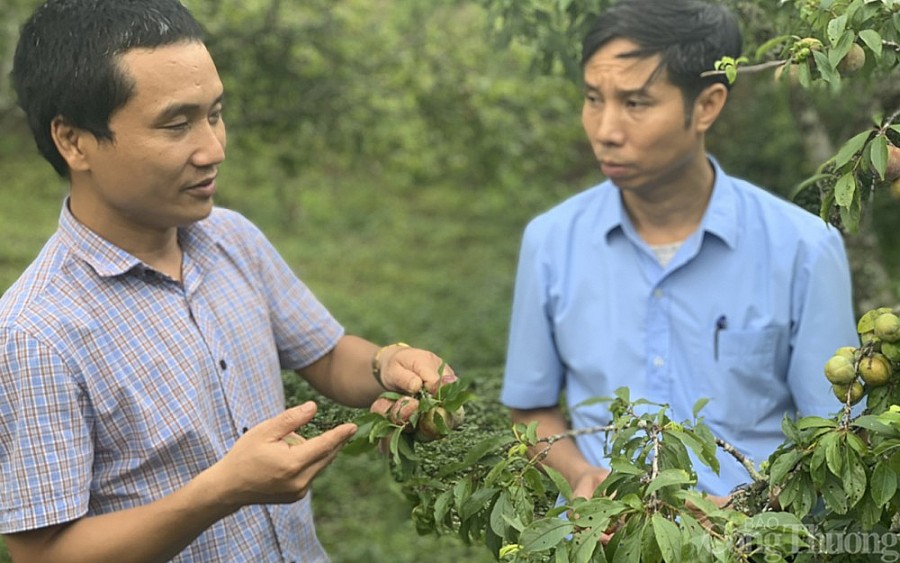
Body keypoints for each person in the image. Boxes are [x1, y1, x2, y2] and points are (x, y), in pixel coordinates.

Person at [0, 0, 452, 561]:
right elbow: (42, 554)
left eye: (215, 114)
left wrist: (388, 365)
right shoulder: (36, 333)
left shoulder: (229, 237)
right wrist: (221, 492)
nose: (213, 149)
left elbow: (329, 357)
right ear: (74, 141)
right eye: (176, 124)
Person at [499, 0, 857, 503]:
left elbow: (835, 441)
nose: (605, 131)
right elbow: (531, 410)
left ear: (707, 105)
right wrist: (581, 474)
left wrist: (743, 513)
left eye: (636, 104)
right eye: (593, 99)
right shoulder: (552, 241)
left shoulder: (802, 250)